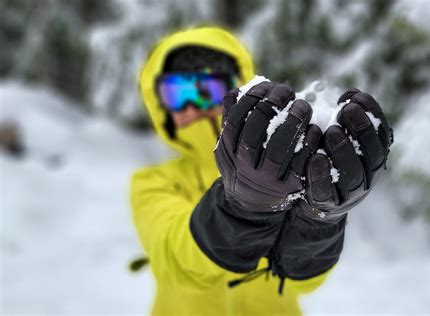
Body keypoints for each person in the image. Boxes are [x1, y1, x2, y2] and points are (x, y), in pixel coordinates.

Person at [131, 26, 393, 316]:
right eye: (177, 93)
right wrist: (243, 209)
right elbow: (174, 258)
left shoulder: (289, 172)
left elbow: (302, 283)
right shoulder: (153, 182)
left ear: (238, 91)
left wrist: (319, 221)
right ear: (160, 105)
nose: (193, 108)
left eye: (208, 91)